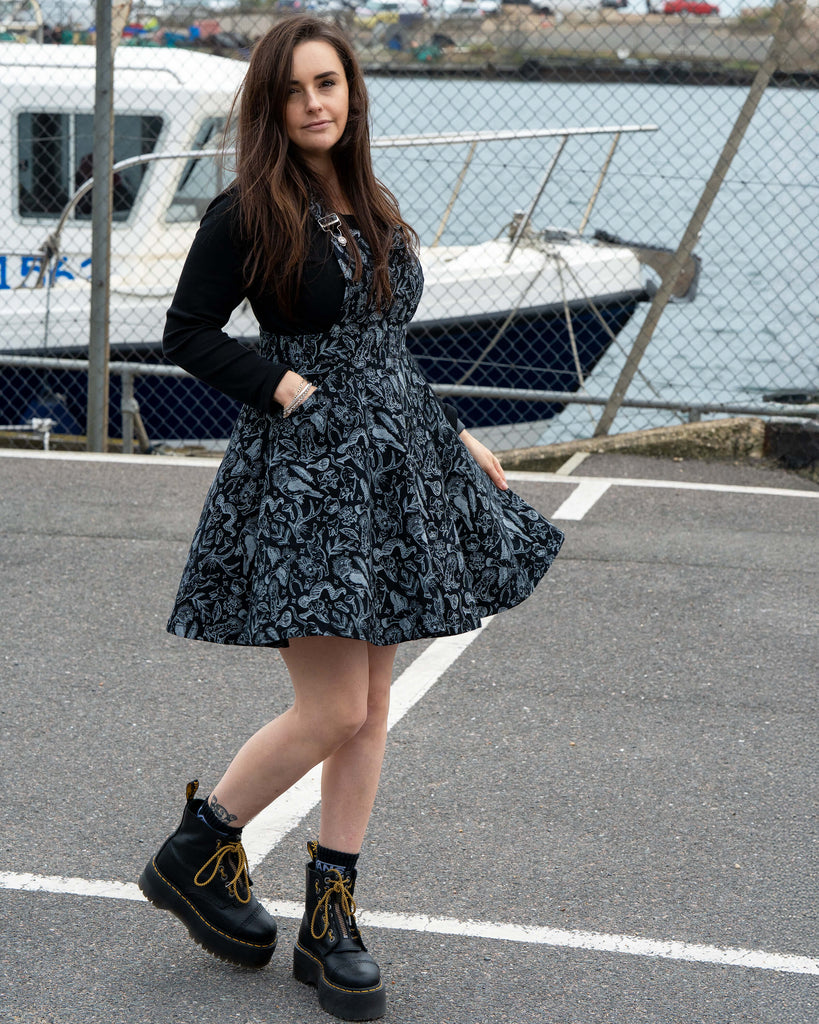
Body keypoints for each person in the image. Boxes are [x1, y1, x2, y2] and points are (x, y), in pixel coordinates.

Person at [138, 15, 564, 1022]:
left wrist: (452, 438)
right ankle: (197, 849)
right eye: (296, 90)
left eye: (329, 83)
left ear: (352, 92)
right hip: (312, 475)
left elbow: (385, 349)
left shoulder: (369, 200)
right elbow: (186, 332)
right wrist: (283, 386)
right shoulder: (247, 211)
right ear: (271, 107)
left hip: (396, 465)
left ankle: (331, 916)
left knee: (370, 708)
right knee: (332, 709)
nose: (317, 102)